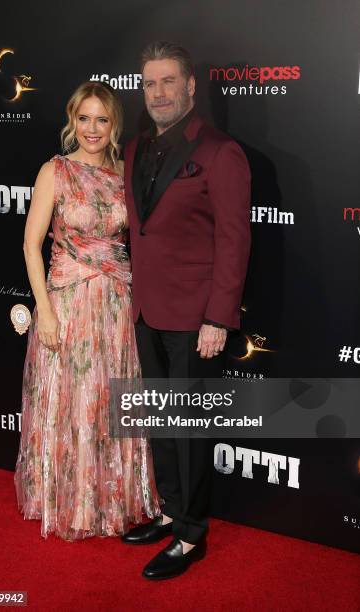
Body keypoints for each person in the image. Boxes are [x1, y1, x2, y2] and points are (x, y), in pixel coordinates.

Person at [122, 42, 251, 579]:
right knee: (159, 422)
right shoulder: (133, 148)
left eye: (169, 81)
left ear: (191, 87)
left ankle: (192, 535)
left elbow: (235, 240)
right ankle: (172, 510)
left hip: (197, 319)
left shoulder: (222, 152)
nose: (159, 93)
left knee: (189, 430)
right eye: (150, 83)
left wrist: (219, 318)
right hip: (147, 311)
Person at [14, 81, 160, 541]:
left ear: (113, 123)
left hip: (116, 304)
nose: (92, 128)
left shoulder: (125, 174)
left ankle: (108, 498)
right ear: (71, 120)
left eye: (102, 119)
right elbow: (30, 245)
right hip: (68, 303)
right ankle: (69, 501)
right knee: (69, 403)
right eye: (84, 118)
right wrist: (46, 312)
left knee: (107, 403)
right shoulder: (54, 171)